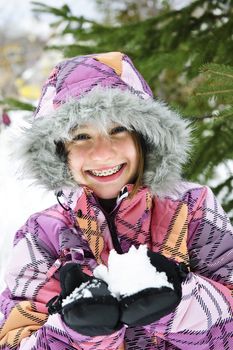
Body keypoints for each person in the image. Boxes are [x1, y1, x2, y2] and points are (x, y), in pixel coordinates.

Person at [0, 51, 232, 350]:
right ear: (59, 151)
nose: (103, 153)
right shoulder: (42, 235)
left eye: (118, 129)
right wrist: (79, 332)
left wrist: (178, 304)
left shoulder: (193, 208)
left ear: (144, 137)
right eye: (81, 136)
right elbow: (12, 340)